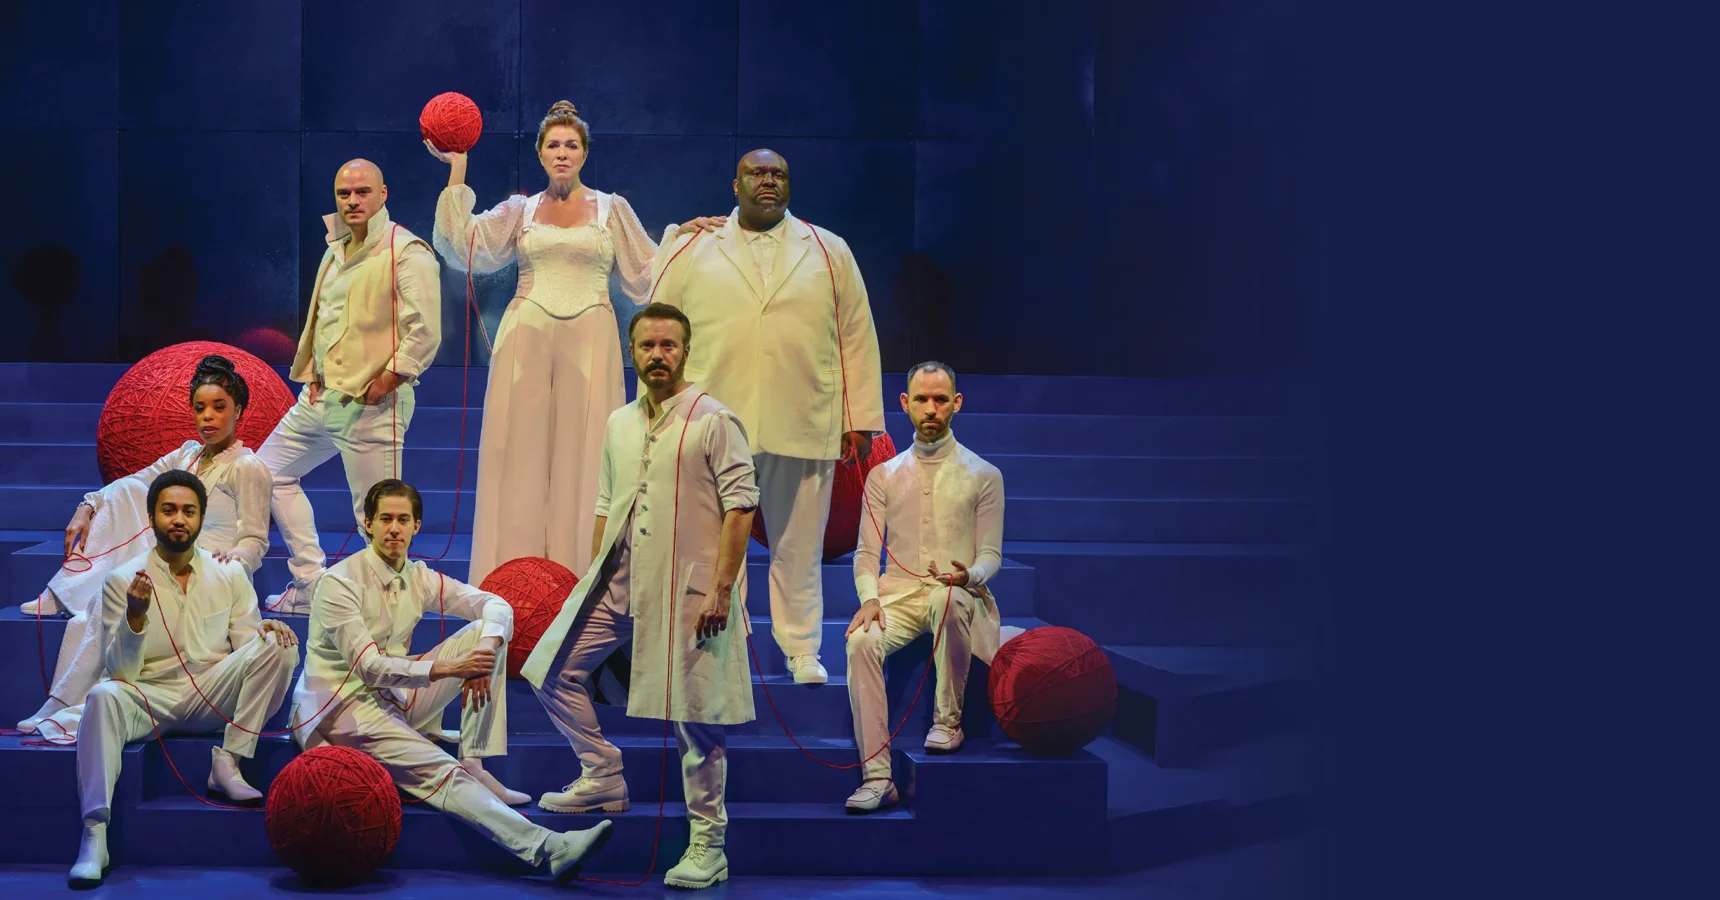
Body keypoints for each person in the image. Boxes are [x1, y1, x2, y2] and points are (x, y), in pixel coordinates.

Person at [429, 100, 724, 586]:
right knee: (518, 453)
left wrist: (685, 238)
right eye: (553, 145)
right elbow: (464, 245)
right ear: (541, 154)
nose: (561, 153)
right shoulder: (520, 211)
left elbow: (647, 271)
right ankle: (512, 581)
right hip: (526, 335)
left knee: (586, 454)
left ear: (584, 153)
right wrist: (459, 168)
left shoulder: (612, 209)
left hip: (591, 336)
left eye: (571, 145)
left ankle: (578, 578)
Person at [523, 303, 757, 890]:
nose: (658, 355)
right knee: (549, 669)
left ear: (685, 351)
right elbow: (606, 502)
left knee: (697, 720)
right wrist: (592, 577)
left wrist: (723, 590)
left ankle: (709, 845)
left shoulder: (714, 419)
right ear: (632, 351)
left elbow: (742, 507)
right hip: (620, 581)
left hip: (689, 590)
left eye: (669, 346)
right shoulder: (620, 422)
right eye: (648, 345)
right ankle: (602, 773)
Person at [290, 479, 611, 883]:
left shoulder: (419, 576)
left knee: (485, 634)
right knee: (442, 770)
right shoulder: (339, 582)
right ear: (367, 525)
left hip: (396, 694)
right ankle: (548, 847)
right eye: (385, 519)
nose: (394, 528)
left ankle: (474, 759)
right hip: (340, 708)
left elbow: (495, 604)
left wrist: (487, 652)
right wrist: (448, 669)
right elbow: (368, 667)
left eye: (402, 519)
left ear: (416, 526)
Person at [649, 148, 885, 684]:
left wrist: (861, 416)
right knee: (711, 541)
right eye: (757, 174)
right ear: (735, 185)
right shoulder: (694, 246)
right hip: (712, 414)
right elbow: (657, 328)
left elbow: (857, 335)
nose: (768, 182)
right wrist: (659, 405)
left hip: (804, 411)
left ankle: (802, 648)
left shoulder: (829, 249)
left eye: (778, 174)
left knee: (799, 545)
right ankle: (720, 643)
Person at [57, 470, 300, 888]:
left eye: (189, 511)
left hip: (213, 693)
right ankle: (94, 833)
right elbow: (122, 674)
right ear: (151, 518)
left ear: (201, 519)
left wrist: (267, 632)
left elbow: (248, 648)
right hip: (151, 698)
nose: (179, 520)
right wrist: (135, 617)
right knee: (102, 696)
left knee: (281, 644)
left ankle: (230, 760)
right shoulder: (122, 580)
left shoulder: (229, 573)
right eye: (168, 510)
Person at [17, 355, 272, 733]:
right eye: (200, 408)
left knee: (109, 599)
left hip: (211, 566)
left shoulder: (248, 466)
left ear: (239, 411)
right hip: (169, 550)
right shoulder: (186, 454)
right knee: (127, 491)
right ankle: (61, 686)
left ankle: (67, 704)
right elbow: (136, 482)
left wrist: (236, 560)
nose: (209, 417)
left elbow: (255, 538)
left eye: (220, 407)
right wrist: (86, 506)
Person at [259, 159, 441, 612]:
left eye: (362, 192)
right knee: (265, 474)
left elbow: (425, 330)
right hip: (320, 398)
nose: (353, 200)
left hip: (371, 403)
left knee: (380, 518)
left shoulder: (407, 251)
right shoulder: (336, 246)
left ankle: (384, 616)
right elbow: (328, 320)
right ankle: (309, 584)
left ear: (384, 194)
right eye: (344, 193)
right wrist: (316, 374)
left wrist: (384, 381)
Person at [842, 362, 1004, 813]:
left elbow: (991, 555)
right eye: (921, 399)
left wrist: (968, 576)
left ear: (956, 403)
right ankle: (877, 776)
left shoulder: (983, 474)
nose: (930, 409)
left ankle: (948, 722)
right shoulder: (883, 476)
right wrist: (869, 599)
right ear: (904, 404)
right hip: (897, 595)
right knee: (858, 641)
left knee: (946, 598)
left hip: (958, 594)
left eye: (939, 399)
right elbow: (864, 553)